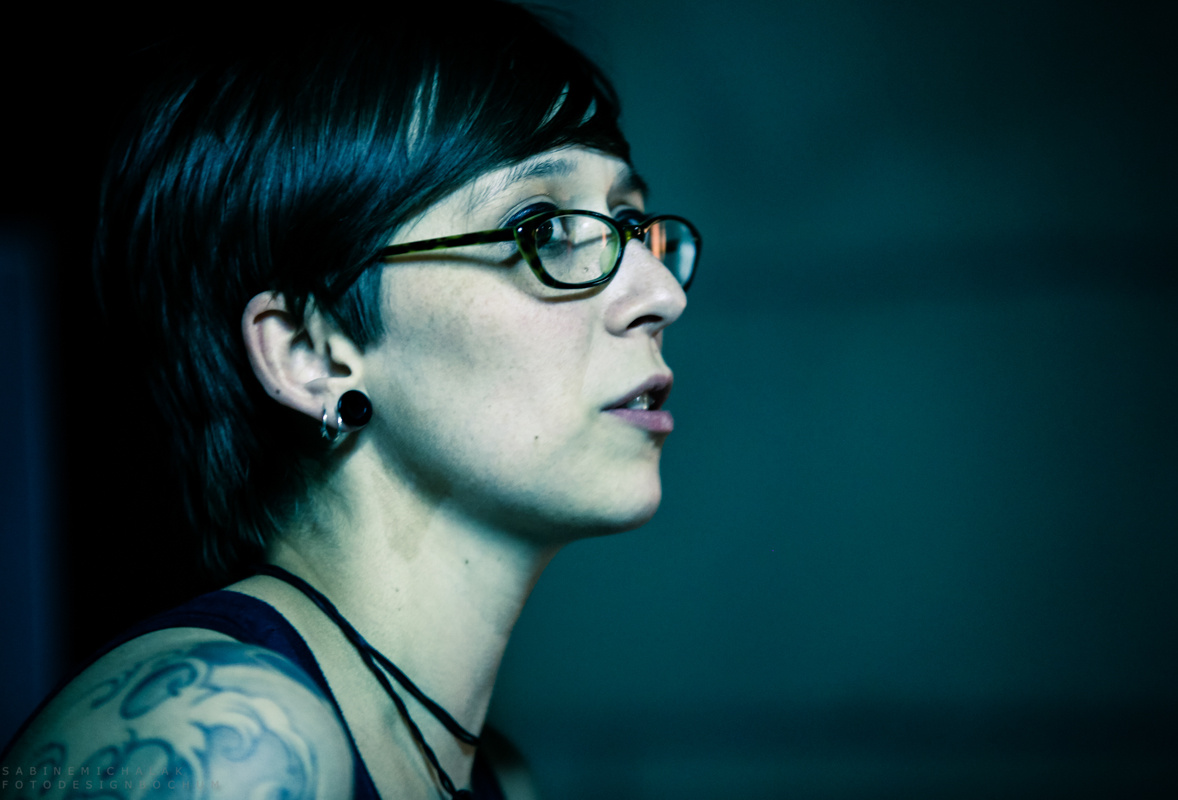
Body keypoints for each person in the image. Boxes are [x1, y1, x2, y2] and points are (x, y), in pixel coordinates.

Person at [0, 3, 699, 798]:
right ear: (312, 352)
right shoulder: (225, 743)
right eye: (540, 230)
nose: (660, 292)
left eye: (629, 222)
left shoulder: (499, 777)